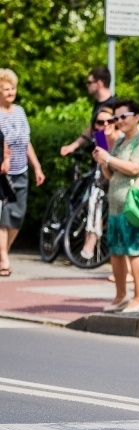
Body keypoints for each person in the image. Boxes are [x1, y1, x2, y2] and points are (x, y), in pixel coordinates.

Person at [91, 99, 139, 313]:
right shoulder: (119, 142)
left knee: (135, 251)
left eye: (122, 117)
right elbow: (111, 174)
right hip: (117, 204)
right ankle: (120, 296)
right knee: (117, 251)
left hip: (134, 205)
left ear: (136, 117)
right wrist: (103, 161)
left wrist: (109, 158)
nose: (118, 121)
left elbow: (135, 167)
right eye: (115, 117)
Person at [0, 68, 46, 277]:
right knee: (4, 217)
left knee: (18, 215)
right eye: (6, 89)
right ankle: (4, 260)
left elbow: (26, 142)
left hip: (21, 170)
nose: (11, 93)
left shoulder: (19, 111)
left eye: (13, 89)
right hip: (3, 173)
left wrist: (36, 166)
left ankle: (3, 254)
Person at [78, 106, 121, 262]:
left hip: (122, 177)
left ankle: (92, 243)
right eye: (100, 122)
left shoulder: (121, 138)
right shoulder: (100, 137)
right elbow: (104, 170)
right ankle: (90, 240)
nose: (105, 125)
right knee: (94, 197)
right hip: (106, 176)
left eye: (110, 121)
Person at [61, 66, 116, 157]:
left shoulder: (113, 105)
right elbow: (93, 129)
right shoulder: (98, 104)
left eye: (89, 82)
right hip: (101, 154)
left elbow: (103, 135)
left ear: (99, 84)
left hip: (111, 156)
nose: (87, 85)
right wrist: (73, 146)